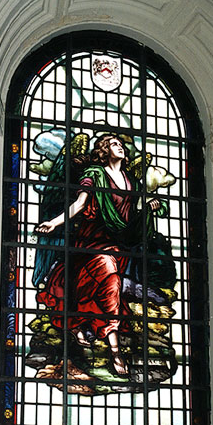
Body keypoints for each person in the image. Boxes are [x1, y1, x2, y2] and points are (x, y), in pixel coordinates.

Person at [34, 134, 160, 379]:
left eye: (121, 144)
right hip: (91, 242)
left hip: (117, 243)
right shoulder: (94, 174)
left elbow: (132, 213)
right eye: (114, 144)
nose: (120, 147)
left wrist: (148, 206)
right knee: (110, 285)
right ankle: (115, 351)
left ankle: (81, 327)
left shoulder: (131, 181)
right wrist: (54, 222)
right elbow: (79, 205)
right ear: (104, 150)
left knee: (100, 288)